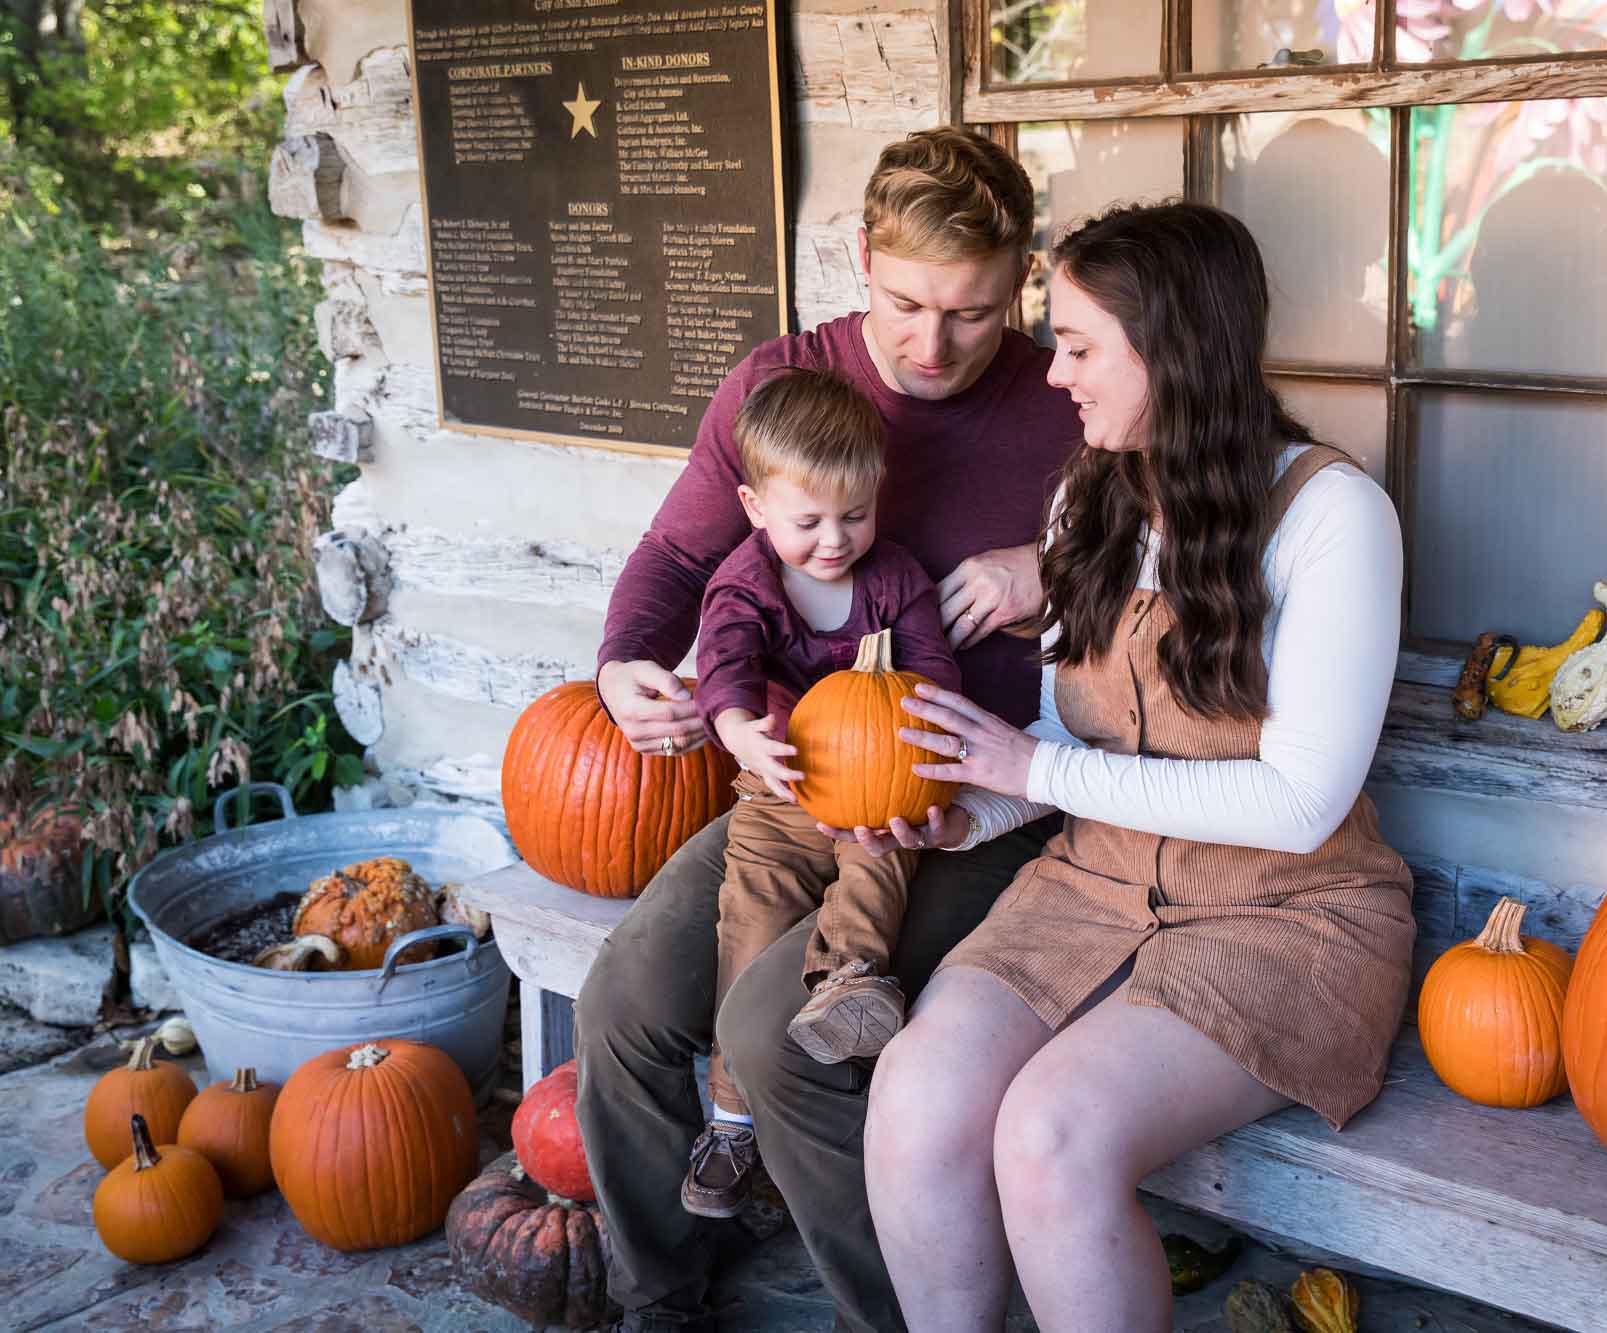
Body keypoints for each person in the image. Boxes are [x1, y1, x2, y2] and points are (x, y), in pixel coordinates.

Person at [856, 201, 1417, 1331]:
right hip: (1091, 887)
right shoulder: (1087, 498)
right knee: (915, 1095)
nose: (1052, 373)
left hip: (1286, 916)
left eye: (1077, 345)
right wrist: (967, 812)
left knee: (1050, 1132)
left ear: (1171, 347)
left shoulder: (1333, 517)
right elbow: (1072, 747)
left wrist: (1028, 769)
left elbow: (1300, 802)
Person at [575, 125, 1081, 1331]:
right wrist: (623, 664)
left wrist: (1049, 566)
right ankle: (661, 1297)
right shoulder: (780, 384)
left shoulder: (1062, 398)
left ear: (1018, 276)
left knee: (779, 1026)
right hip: (794, 779)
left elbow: (1170, 557)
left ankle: (893, 1315)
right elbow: (677, 553)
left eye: (970, 312)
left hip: (978, 801)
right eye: (905, 304)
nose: (931, 343)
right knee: (626, 1000)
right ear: (862, 259)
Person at [680, 367, 961, 1221]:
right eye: (809, 521)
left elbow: (934, 671)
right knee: (752, 908)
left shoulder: (894, 580)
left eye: (855, 514)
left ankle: (849, 982)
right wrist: (736, 730)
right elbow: (722, 667)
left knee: (879, 864)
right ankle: (730, 1122)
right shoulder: (747, 582)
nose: (835, 540)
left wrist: (929, 765)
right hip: (778, 783)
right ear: (757, 506)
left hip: (874, 787)